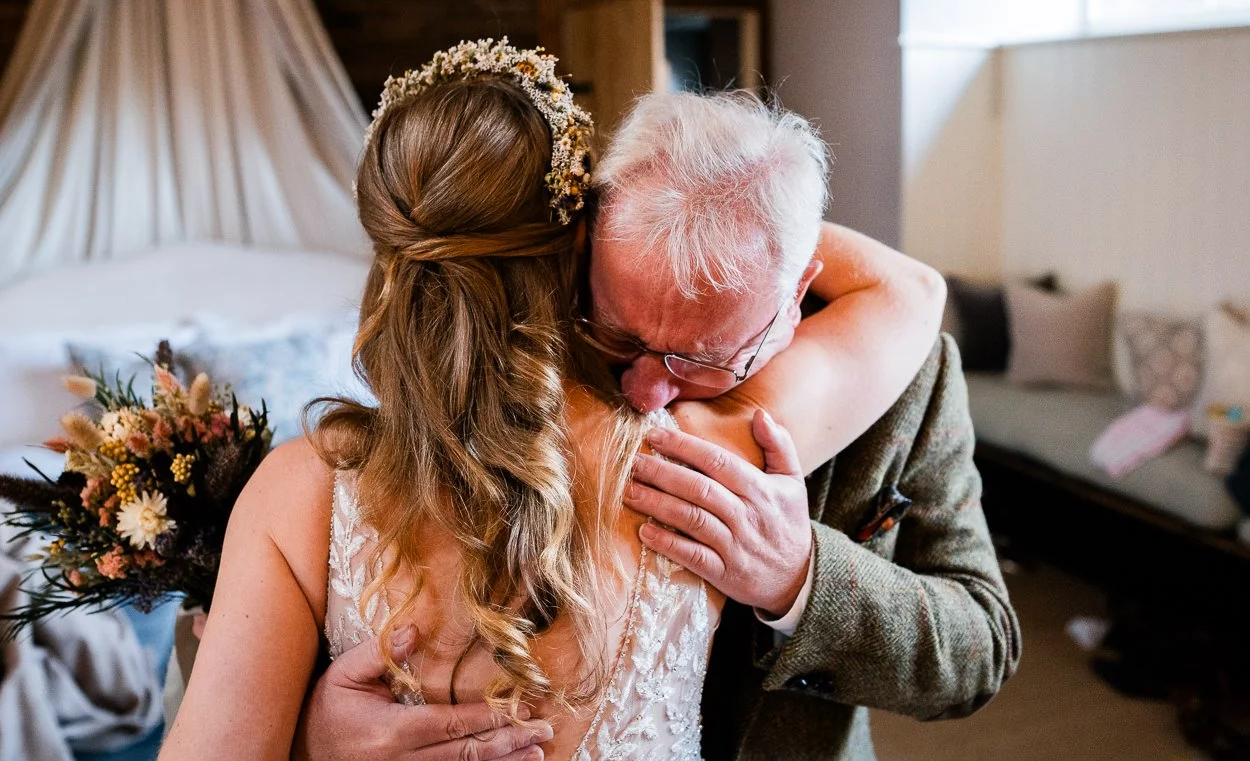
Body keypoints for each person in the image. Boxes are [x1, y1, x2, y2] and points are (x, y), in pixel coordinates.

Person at [161, 42, 956, 761]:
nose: (652, 382)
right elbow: (908, 291)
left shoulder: (295, 495)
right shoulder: (697, 459)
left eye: (699, 357)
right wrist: (708, 204)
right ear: (583, 238)